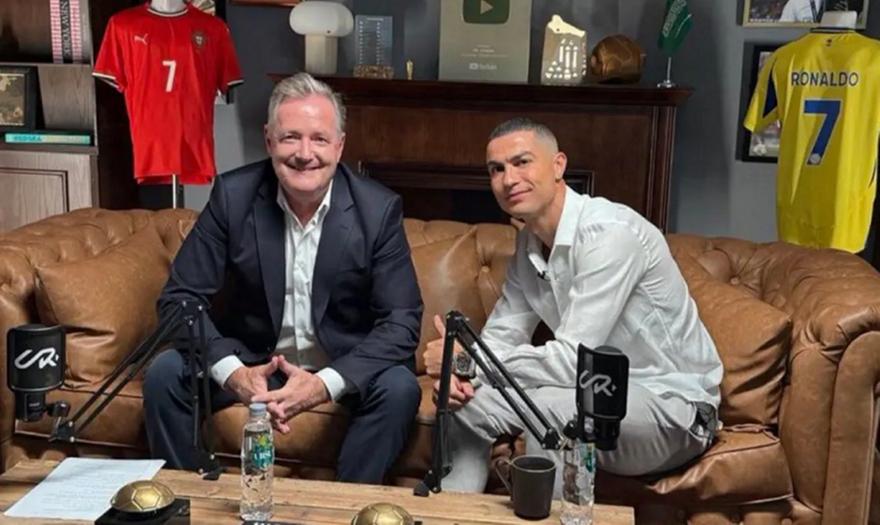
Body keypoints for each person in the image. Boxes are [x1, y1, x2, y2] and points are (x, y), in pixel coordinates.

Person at [142, 72, 423, 483]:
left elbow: (402, 322)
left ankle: (344, 505)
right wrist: (234, 374)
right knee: (165, 373)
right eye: (291, 137)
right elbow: (179, 300)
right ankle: (186, 499)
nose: (305, 154)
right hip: (254, 360)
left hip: (339, 365)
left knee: (400, 388)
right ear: (269, 140)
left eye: (319, 139)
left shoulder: (377, 210)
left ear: (340, 145)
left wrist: (324, 384)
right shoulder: (233, 196)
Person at [424, 118, 723, 493]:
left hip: (675, 406)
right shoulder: (528, 247)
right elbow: (501, 337)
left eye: (522, 162)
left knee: (553, 410)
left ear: (558, 166)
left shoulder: (610, 234)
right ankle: (455, 514)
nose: (509, 179)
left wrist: (467, 360)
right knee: (465, 408)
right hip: (592, 396)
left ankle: (548, 517)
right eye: (496, 169)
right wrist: (461, 377)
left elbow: (572, 362)